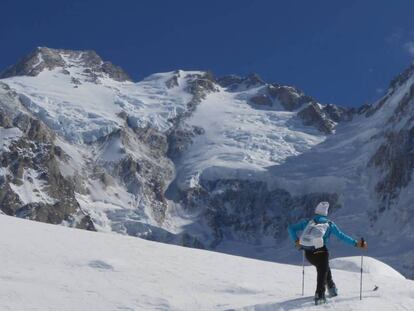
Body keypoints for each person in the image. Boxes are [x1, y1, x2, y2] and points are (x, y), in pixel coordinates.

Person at [288, 201, 367, 305]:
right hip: (321, 252)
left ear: (316, 211)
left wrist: (296, 240)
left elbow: (290, 228)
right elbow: (341, 236)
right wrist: (356, 243)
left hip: (308, 253)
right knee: (322, 270)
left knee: (324, 268)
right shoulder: (329, 224)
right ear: (326, 213)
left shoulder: (308, 222)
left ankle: (331, 288)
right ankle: (320, 295)